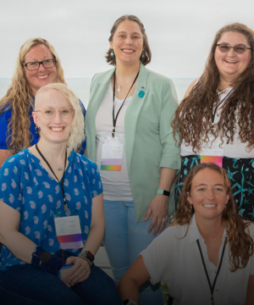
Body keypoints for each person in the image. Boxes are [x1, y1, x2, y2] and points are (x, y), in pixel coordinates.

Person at [172, 23, 254, 252]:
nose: (231, 53)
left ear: (252, 55)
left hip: (242, 196)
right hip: (195, 196)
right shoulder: (196, 86)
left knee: (240, 269)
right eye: (224, 47)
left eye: (240, 48)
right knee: (194, 270)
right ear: (214, 52)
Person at [0, 83, 119, 305]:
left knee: (110, 299)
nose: (57, 119)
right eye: (49, 111)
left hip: (74, 261)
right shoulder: (15, 168)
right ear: (36, 118)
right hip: (22, 267)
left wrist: (86, 260)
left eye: (65, 111)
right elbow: (5, 233)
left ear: (73, 116)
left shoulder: (88, 169)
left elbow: (98, 225)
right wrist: (54, 267)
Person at [84, 15, 179, 305]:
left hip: (147, 200)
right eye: (122, 36)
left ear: (143, 43)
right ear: (111, 42)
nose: (128, 42)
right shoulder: (98, 81)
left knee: (146, 279)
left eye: (135, 36)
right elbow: (91, 136)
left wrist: (162, 194)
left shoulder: (160, 85)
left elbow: (171, 142)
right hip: (105, 197)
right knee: (119, 273)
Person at [118, 163, 254, 305]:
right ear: (189, 197)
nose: (210, 196)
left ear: (227, 197)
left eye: (218, 189)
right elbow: (128, 280)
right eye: (201, 189)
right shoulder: (173, 236)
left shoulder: (249, 232)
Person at [0, 38, 85, 190]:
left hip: (71, 201)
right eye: (33, 63)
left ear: (56, 64)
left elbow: (84, 156)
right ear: (22, 69)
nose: (42, 68)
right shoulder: (8, 113)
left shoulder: (75, 107)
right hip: (25, 203)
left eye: (47, 61)